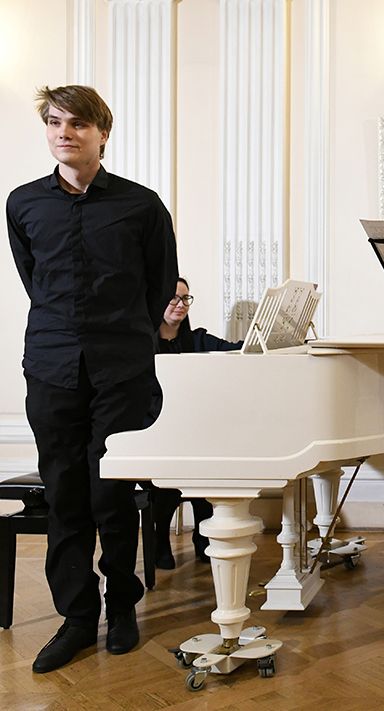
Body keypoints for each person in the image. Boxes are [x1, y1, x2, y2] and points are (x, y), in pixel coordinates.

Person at [7, 85, 178, 673]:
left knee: (112, 494)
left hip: (121, 369)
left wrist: (125, 337)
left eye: (78, 124)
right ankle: (77, 618)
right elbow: (34, 279)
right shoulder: (23, 203)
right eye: (55, 122)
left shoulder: (142, 205)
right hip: (51, 364)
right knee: (65, 495)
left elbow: (160, 285)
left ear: (103, 133)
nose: (64, 133)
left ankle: (122, 606)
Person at [151, 277, 242, 568]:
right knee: (168, 474)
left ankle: (202, 539)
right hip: (154, 431)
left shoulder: (197, 339)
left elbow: (238, 349)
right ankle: (159, 540)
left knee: (204, 467)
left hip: (189, 433)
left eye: (185, 299)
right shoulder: (142, 343)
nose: (180, 305)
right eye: (174, 298)